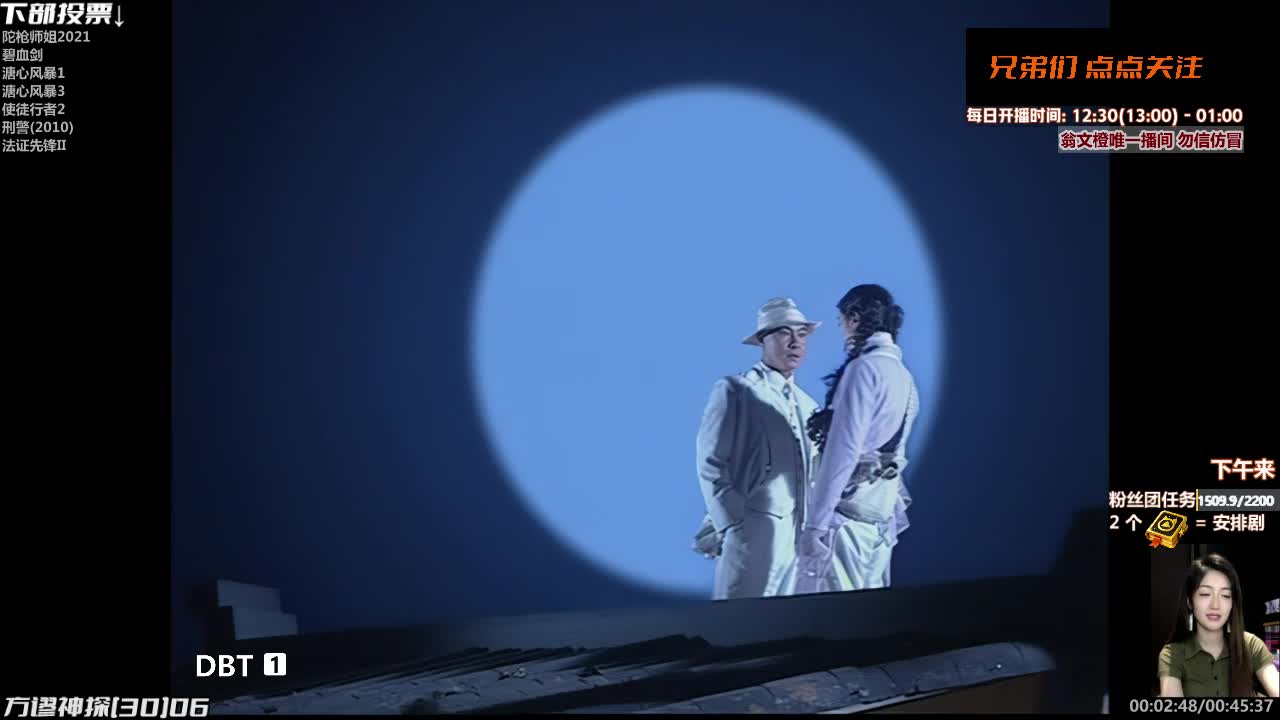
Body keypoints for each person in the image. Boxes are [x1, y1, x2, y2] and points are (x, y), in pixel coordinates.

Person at [694, 297, 822, 599]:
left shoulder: (808, 405)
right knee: (739, 618)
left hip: (796, 538)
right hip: (751, 532)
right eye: (784, 333)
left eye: (802, 334)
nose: (795, 342)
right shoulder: (736, 389)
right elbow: (710, 462)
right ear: (763, 339)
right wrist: (733, 524)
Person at [795, 284, 918, 594]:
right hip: (880, 519)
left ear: (853, 318)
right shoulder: (904, 376)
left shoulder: (864, 369)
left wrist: (815, 524)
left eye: (840, 322)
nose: (841, 330)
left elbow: (843, 452)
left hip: (847, 522)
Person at [1157, 553, 1279, 697]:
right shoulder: (1172, 654)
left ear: (1232, 603)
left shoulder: (1251, 645)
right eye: (1205, 594)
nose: (1215, 605)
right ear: (1190, 602)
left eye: (1225, 595)